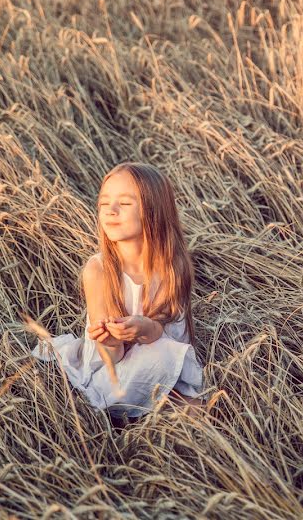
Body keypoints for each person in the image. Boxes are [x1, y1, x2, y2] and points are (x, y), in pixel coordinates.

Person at [32, 162, 203, 419]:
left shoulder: (172, 266)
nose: (110, 211)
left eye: (124, 204)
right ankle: (119, 407)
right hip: (114, 366)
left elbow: (164, 329)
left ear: (154, 211)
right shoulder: (99, 270)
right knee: (165, 368)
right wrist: (111, 341)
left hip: (162, 354)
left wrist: (146, 328)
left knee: (165, 354)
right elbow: (111, 357)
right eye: (103, 203)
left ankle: (150, 404)